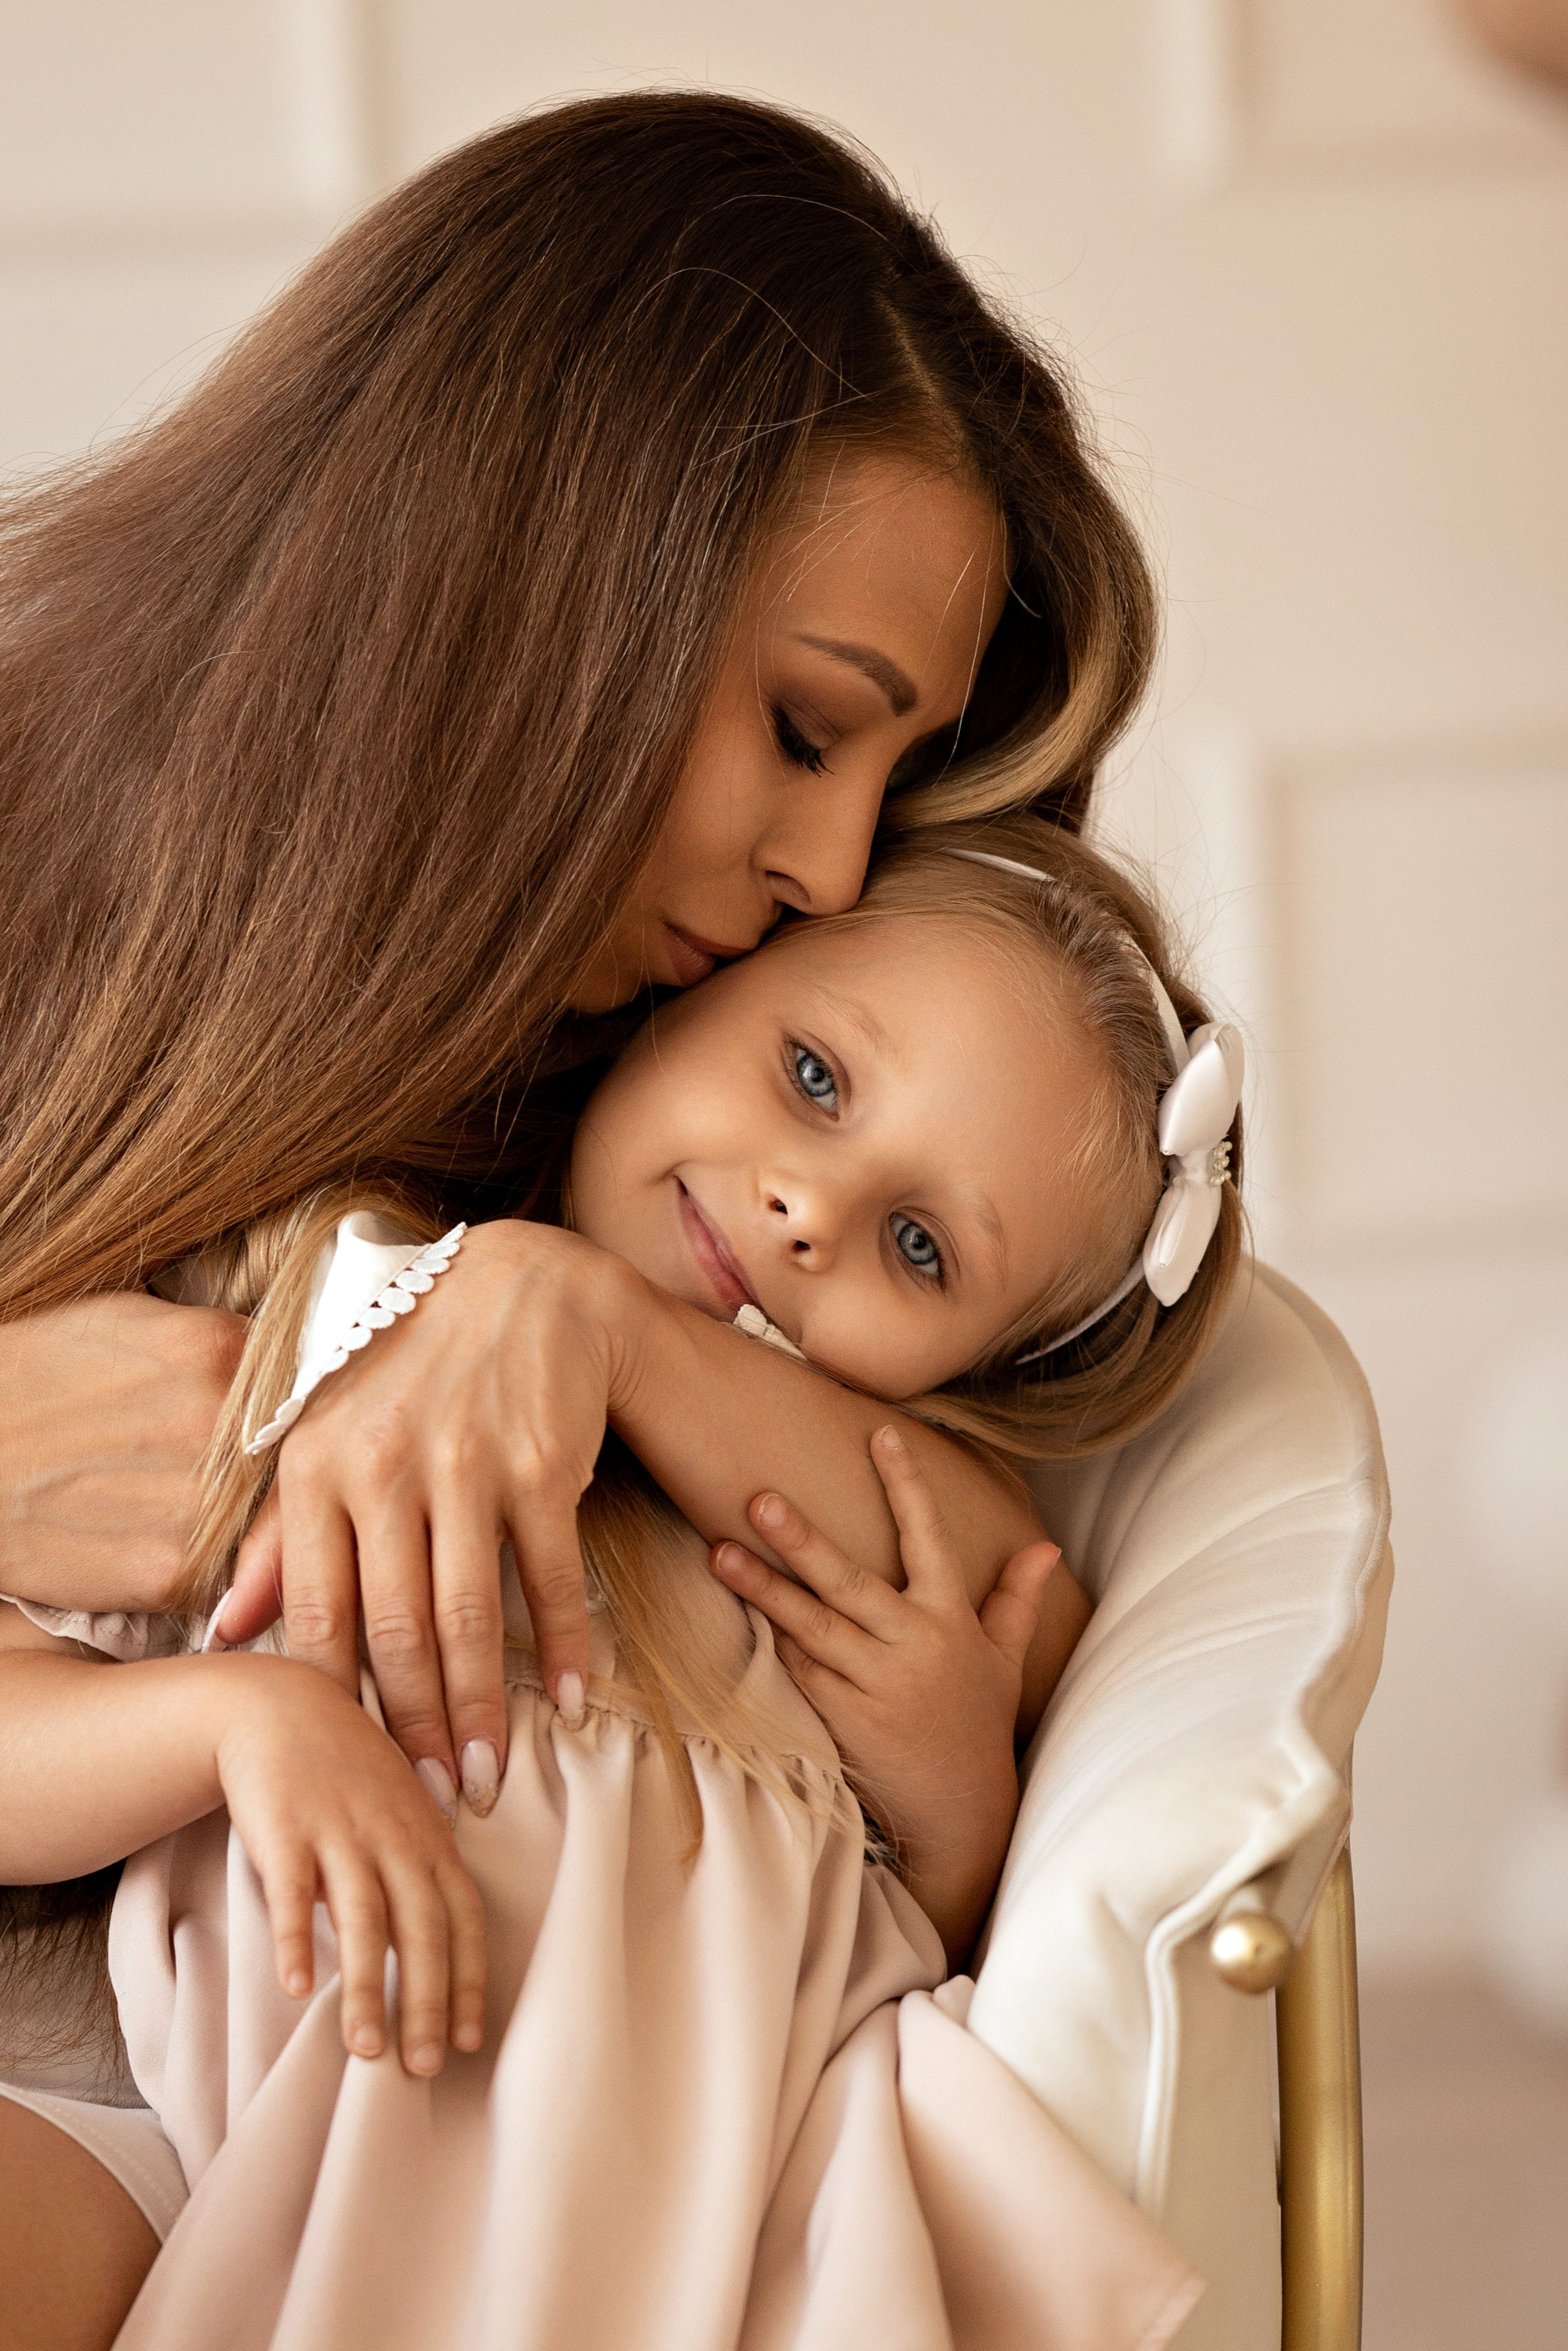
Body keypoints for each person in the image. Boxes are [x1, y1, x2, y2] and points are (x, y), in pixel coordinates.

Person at [0, 89, 1154, 2346]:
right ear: (538, 581)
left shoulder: (615, 1129)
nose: (827, 873)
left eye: (886, 785)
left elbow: (948, 1547)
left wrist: (576, 1318)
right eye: (807, 729)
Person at [1, 813, 1238, 2350]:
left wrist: (959, 1818)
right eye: (813, 1078)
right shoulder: (337, 1318)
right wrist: (234, 1726)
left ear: (970, 1371)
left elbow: (1021, 1615)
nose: (807, 1208)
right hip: (209, 2150)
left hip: (681, 2238)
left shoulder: (843, 1551)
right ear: (685, 986)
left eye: (919, 1248)